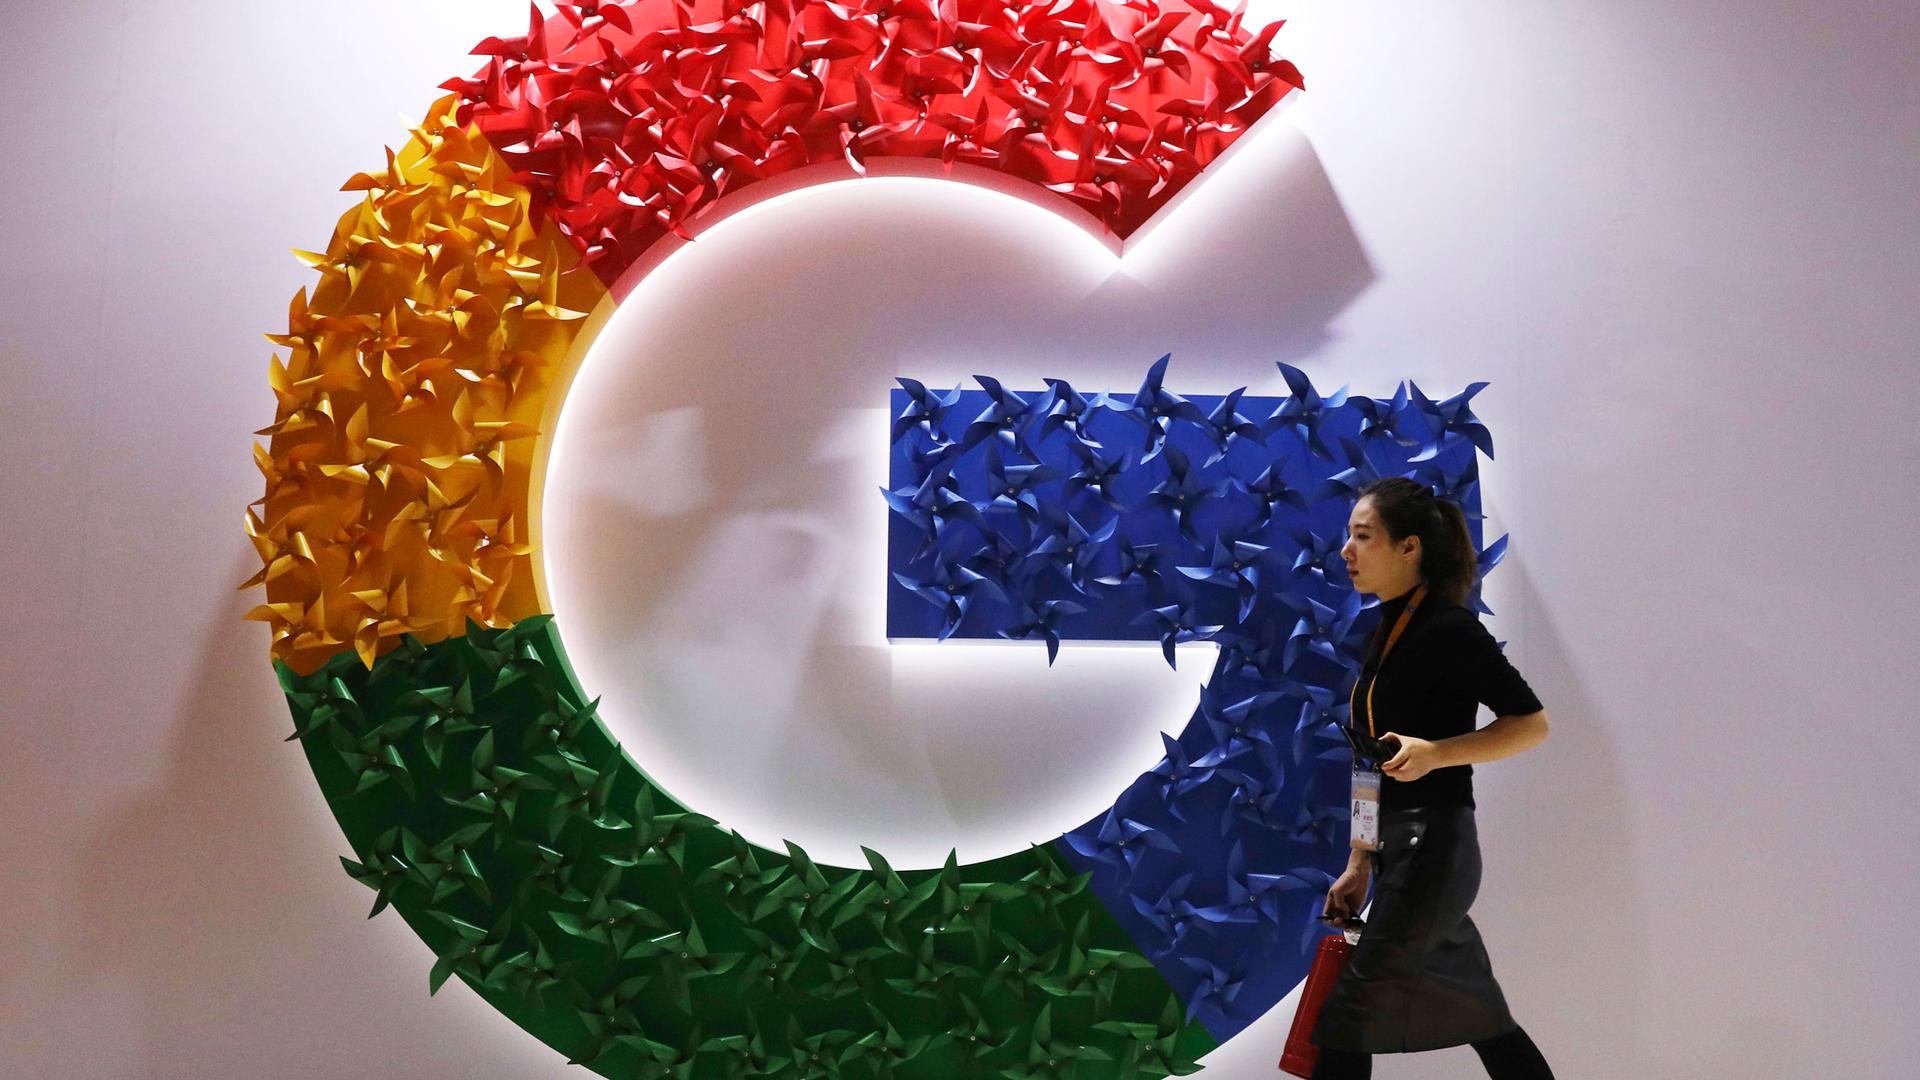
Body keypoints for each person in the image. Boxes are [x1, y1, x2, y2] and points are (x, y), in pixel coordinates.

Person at [1309, 477, 1557, 1080]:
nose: (1346, 550)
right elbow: (1370, 756)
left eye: (1362, 536)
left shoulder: (1449, 628)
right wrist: (1359, 859)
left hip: (1434, 848)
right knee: (1486, 1021)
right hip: (1404, 852)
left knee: (1348, 1018)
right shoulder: (1386, 634)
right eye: (1349, 536)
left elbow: (1532, 724)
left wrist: (1439, 753)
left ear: (1409, 548)